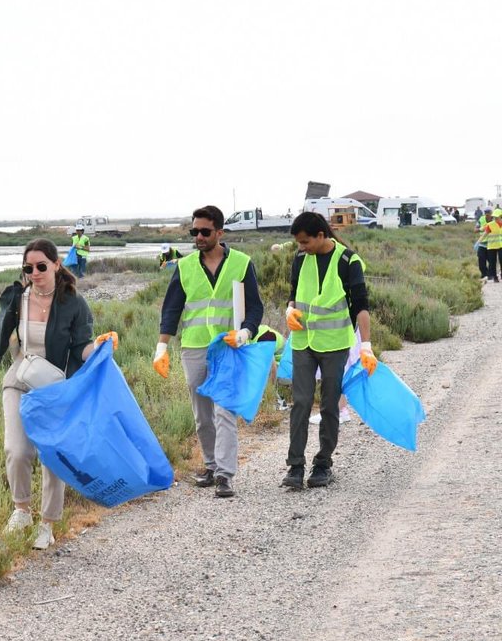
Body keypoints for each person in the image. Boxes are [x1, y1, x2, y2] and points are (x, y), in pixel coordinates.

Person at [0, 238, 117, 550]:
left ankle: (47, 524)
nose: (35, 272)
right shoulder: (18, 298)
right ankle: (21, 511)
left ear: (57, 265)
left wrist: (98, 346)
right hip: (19, 378)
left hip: (55, 388)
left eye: (41, 266)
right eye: (28, 267)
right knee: (16, 450)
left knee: (52, 456)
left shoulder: (73, 303)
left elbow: (79, 348)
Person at [153, 205, 264, 499]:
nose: (198, 237)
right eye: (194, 231)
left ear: (219, 232)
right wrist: (161, 346)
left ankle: (225, 476)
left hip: (228, 347)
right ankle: (212, 465)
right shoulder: (185, 266)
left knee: (224, 410)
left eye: (204, 231)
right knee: (203, 415)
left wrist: (246, 332)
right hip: (194, 346)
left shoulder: (242, 263)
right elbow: (172, 309)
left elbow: (255, 306)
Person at [282, 211, 376, 490]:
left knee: (330, 404)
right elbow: (293, 292)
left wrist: (366, 347)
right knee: (300, 402)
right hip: (303, 342)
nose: (301, 247)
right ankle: (295, 467)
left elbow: (361, 306)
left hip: (335, 344)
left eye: (304, 242)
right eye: (298, 243)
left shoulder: (348, 261)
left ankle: (323, 464)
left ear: (321, 236)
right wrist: (289, 309)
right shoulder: (300, 259)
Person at [484, 209, 502, 283]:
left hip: (500, 245)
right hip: (491, 246)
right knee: (492, 262)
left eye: (497, 217)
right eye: (494, 217)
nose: (495, 218)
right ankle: (495, 277)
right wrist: (478, 242)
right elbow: (484, 234)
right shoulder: (490, 224)